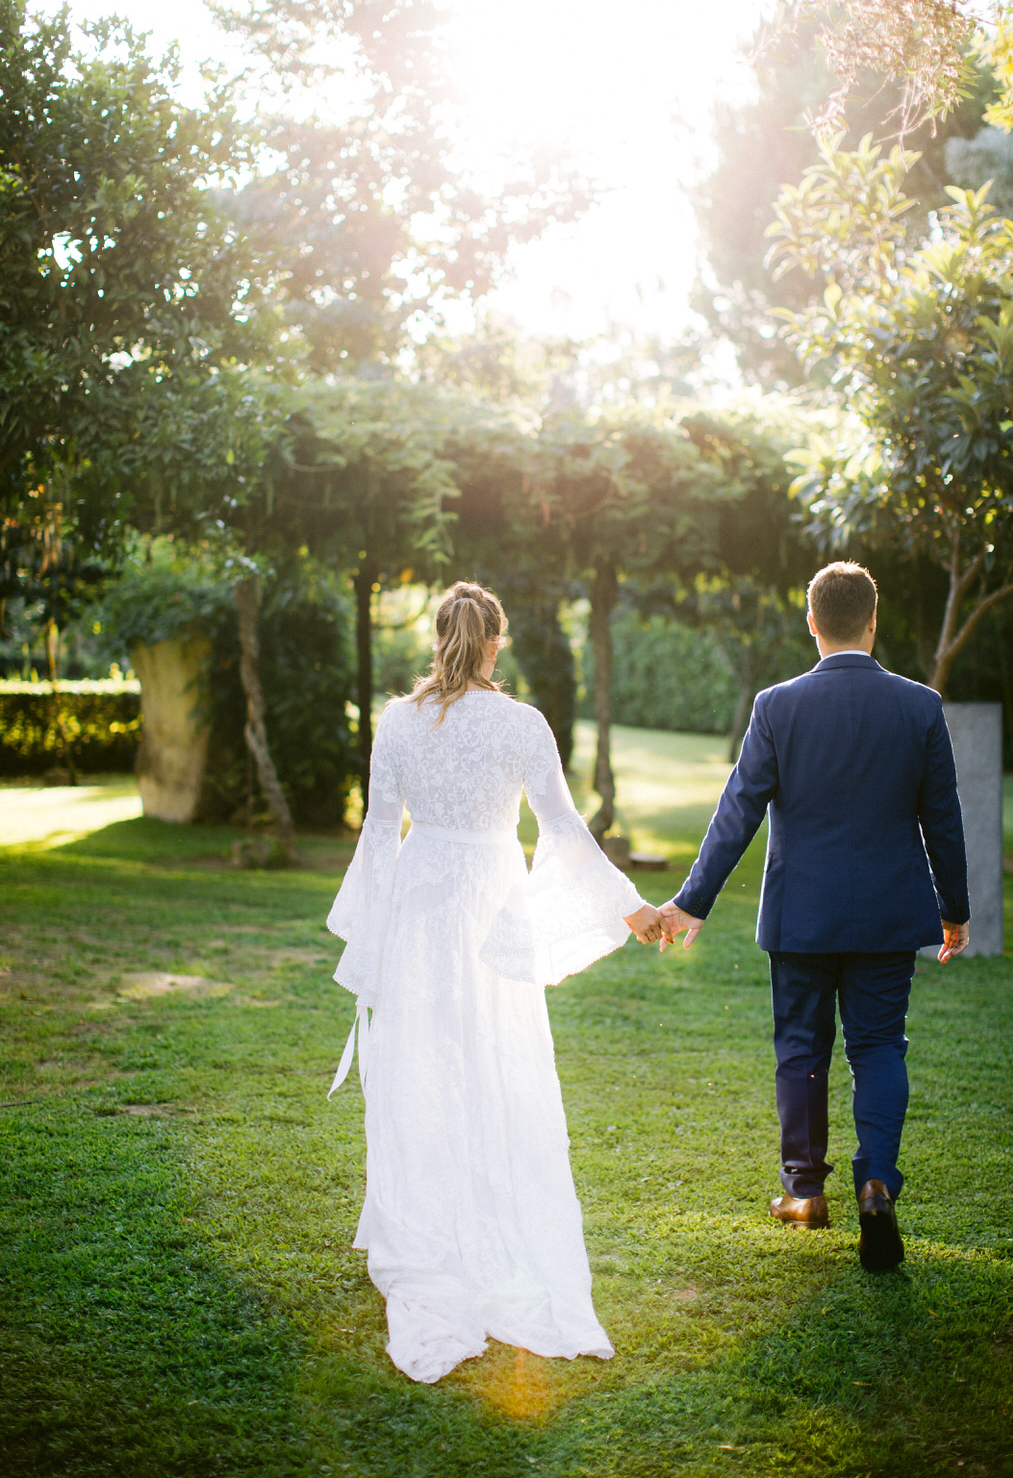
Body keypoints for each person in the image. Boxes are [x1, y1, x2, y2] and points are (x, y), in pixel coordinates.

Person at [326, 582, 663, 1382]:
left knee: (421, 1064)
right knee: (491, 1061)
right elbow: (562, 826)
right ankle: (480, 1218)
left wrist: (370, 936)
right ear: (494, 643)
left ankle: (427, 1224)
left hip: (419, 906)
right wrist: (629, 906)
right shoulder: (523, 723)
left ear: (436, 637)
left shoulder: (397, 721)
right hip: (488, 902)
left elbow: (379, 831)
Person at [657, 561, 970, 1272]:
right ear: (872, 622)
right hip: (887, 914)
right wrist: (953, 909)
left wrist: (692, 900)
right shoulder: (921, 706)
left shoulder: (776, 705)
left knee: (801, 1049)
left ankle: (803, 1193)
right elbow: (943, 820)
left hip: (800, 913)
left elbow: (737, 810)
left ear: (811, 624)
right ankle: (875, 1183)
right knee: (879, 1046)